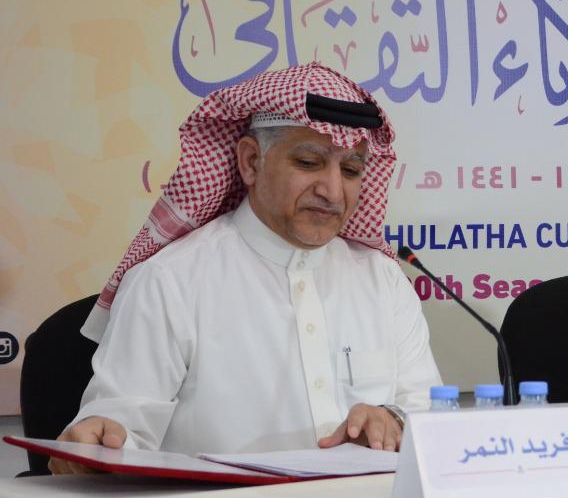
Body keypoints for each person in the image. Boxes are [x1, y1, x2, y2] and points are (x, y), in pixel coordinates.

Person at [53, 64, 440, 473]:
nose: (332, 191)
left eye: (351, 170)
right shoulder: (170, 281)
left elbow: (428, 415)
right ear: (251, 162)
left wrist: (392, 423)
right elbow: (120, 430)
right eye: (309, 162)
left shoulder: (383, 280)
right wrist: (98, 443)